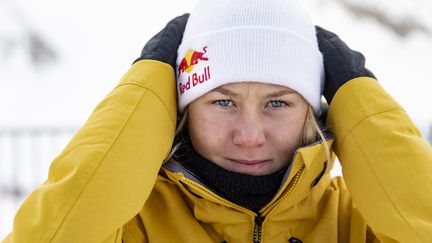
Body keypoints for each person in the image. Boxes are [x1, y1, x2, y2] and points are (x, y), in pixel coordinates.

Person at [3, 0, 432, 242]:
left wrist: (356, 95)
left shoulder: (361, 223)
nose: (248, 136)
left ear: (316, 111)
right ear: (181, 108)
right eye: (223, 102)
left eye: (278, 103)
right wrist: (149, 82)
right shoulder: (132, 223)